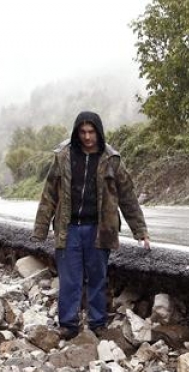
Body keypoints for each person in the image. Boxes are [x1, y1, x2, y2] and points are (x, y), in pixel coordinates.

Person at [32, 110, 150, 340]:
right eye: (83, 132)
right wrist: (41, 228)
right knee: (70, 280)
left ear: (99, 132)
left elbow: (127, 197)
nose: (87, 137)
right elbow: (49, 194)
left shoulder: (112, 160)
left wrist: (140, 230)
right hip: (69, 228)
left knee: (98, 278)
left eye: (91, 132)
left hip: (100, 228)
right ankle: (68, 324)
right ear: (77, 132)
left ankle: (98, 323)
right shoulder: (64, 157)